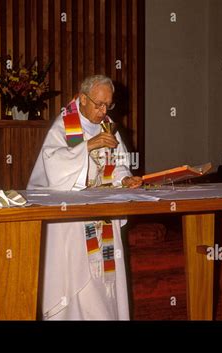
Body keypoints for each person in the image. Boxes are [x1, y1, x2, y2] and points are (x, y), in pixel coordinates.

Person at [27, 75, 142, 320]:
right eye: (99, 104)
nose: (103, 111)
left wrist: (124, 179)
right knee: (78, 282)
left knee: (105, 282)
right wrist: (88, 145)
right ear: (82, 99)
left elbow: (118, 163)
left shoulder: (108, 126)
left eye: (108, 105)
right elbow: (54, 168)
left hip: (103, 214)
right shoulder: (64, 125)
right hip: (71, 219)